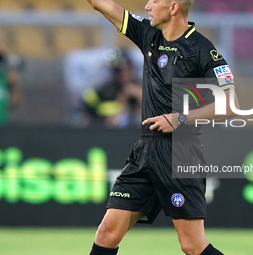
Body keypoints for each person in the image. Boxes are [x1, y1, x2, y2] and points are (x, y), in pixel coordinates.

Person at [86, 0, 240, 254]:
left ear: (173, 7)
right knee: (107, 233)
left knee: (192, 245)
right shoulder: (148, 34)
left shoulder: (203, 49)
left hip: (180, 152)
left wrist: (179, 119)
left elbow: (231, 105)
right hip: (145, 151)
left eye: (154, 1)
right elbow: (101, 5)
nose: (147, 6)